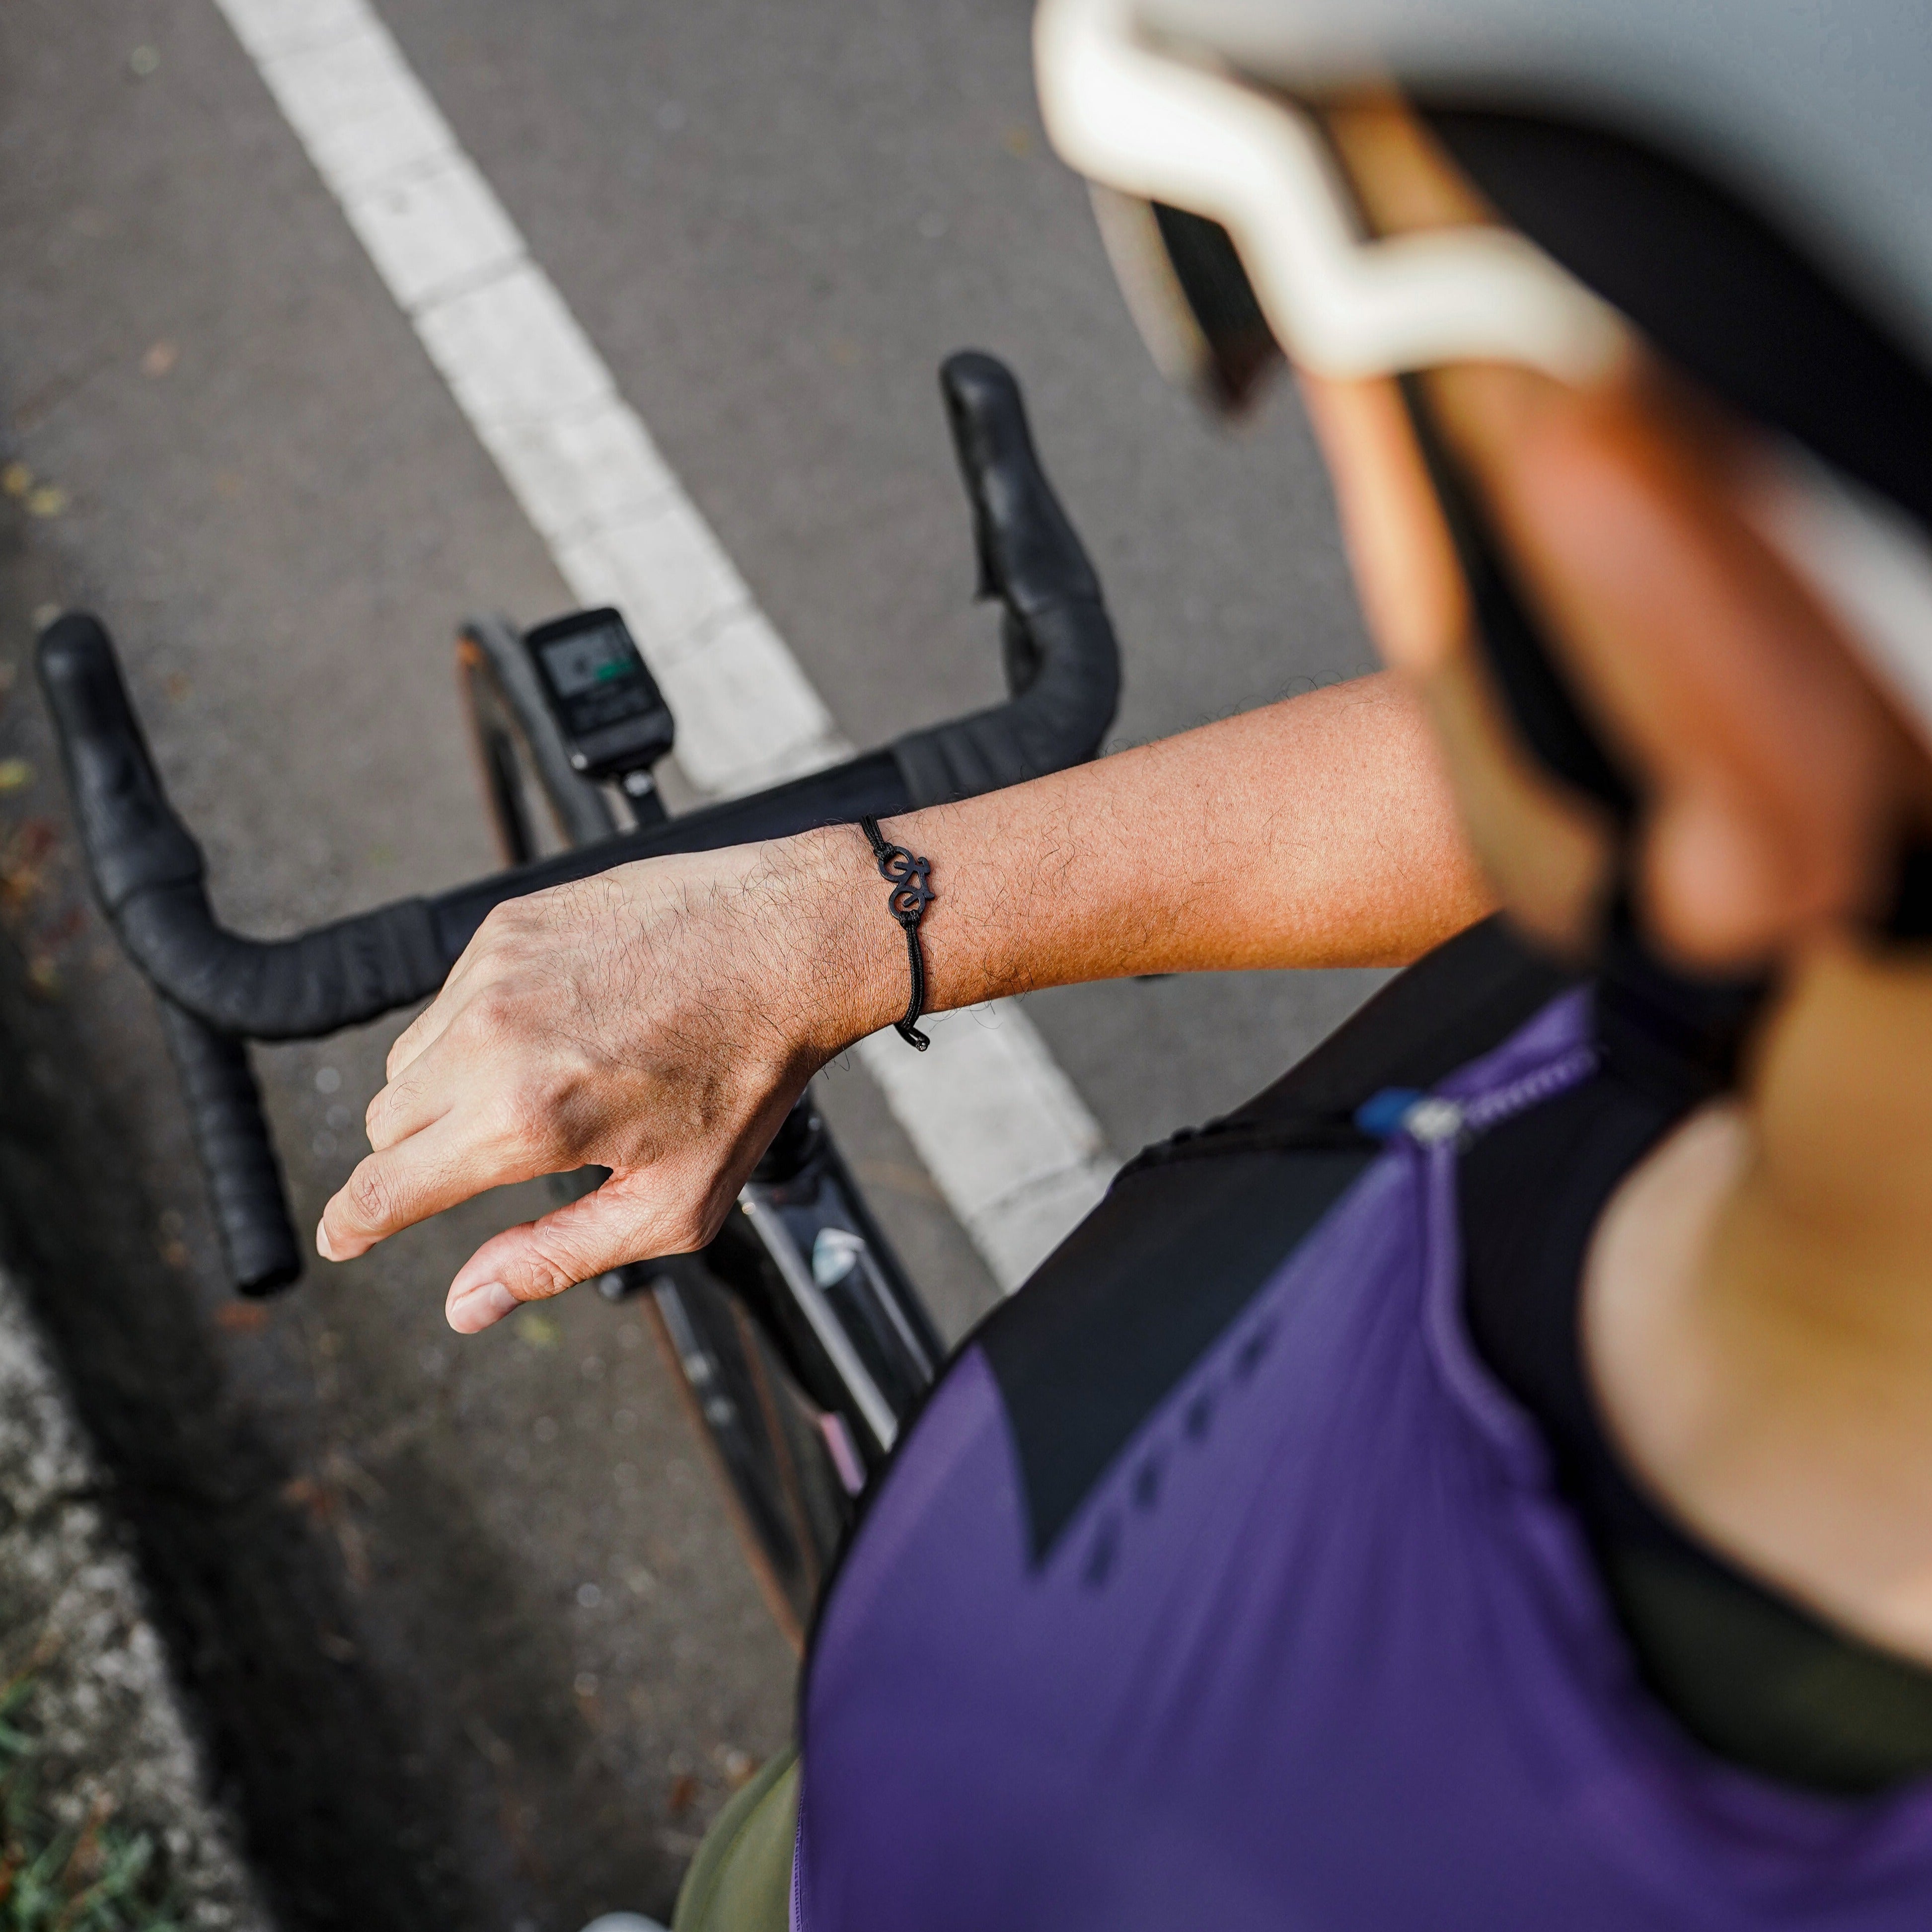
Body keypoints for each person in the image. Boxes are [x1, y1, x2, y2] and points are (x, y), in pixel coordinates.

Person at [323, 0, 1932, 1923]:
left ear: (1672, 599)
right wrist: (842, 914)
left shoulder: (1073, 1758)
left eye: (1265, 284)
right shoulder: (1773, 824)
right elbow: (1714, 728)